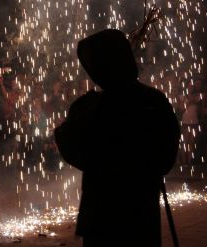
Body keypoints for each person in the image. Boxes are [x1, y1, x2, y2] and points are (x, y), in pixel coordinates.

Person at [54, 29, 180, 247]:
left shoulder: (92, 107)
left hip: (102, 214)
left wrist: (64, 130)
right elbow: (166, 156)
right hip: (142, 211)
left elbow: (74, 150)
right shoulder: (153, 100)